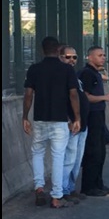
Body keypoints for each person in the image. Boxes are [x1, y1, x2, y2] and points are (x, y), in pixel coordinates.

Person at [22, 36, 80, 208]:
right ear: (58, 51)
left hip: (40, 119)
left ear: (42, 50)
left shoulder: (34, 69)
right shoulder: (66, 70)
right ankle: (56, 196)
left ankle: (39, 188)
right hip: (60, 120)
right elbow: (73, 94)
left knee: (37, 153)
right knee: (58, 156)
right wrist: (77, 117)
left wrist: (25, 117)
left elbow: (28, 95)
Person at [80, 45, 109, 197]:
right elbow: (85, 96)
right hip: (91, 116)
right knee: (93, 151)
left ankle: (98, 183)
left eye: (104, 55)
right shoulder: (87, 73)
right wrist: (104, 98)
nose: (103, 58)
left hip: (99, 114)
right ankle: (88, 186)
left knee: (101, 151)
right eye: (100, 55)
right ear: (90, 57)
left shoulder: (96, 74)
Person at [59, 45, 88, 204]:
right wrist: (69, 120)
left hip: (82, 124)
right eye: (67, 57)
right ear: (60, 57)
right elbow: (61, 100)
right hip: (72, 125)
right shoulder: (61, 76)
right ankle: (62, 190)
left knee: (77, 159)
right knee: (69, 158)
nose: (71, 60)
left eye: (74, 57)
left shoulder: (75, 77)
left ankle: (70, 188)